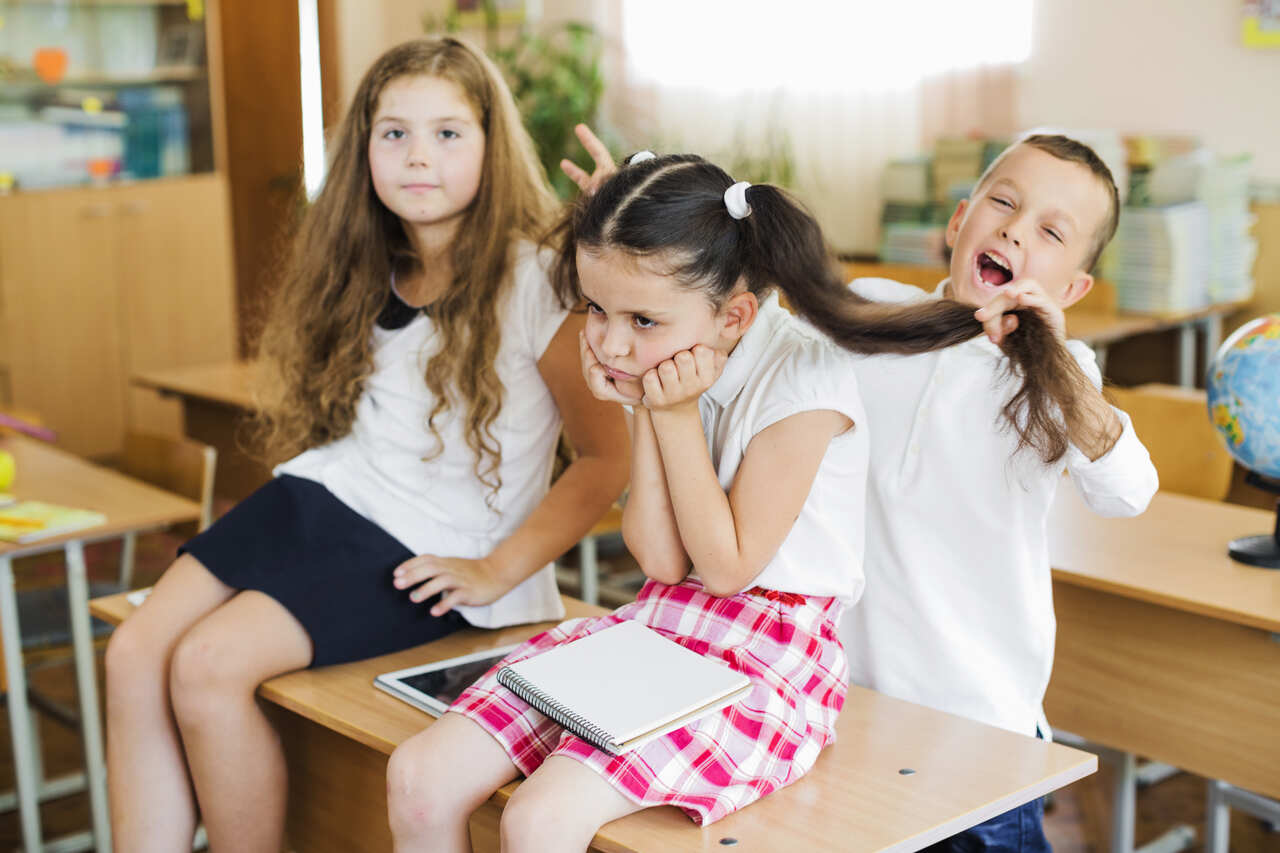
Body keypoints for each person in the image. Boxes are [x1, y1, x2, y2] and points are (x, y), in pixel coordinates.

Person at [384, 148, 1101, 851]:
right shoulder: (673, 352)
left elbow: (726, 568)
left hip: (774, 655)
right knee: (418, 775)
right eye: (594, 308)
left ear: (732, 316)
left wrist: (668, 414)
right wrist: (645, 406)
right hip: (667, 616)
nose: (606, 342)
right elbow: (663, 561)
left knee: (539, 820)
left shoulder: (804, 379)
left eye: (640, 321)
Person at [102, 37, 629, 852]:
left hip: (429, 544)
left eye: (449, 134)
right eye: (395, 134)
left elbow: (607, 459)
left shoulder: (539, 277)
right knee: (134, 650)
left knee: (206, 665)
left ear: (492, 146)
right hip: (322, 496)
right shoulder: (362, 262)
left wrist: (495, 571)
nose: (419, 156)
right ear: (365, 149)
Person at [841, 134, 1160, 852]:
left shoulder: (1063, 374)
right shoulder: (871, 312)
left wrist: (1055, 365)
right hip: (847, 709)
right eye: (1004, 203)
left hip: (980, 739)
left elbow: (1129, 491)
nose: (1016, 228)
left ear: (1073, 287)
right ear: (960, 223)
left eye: (1050, 231)